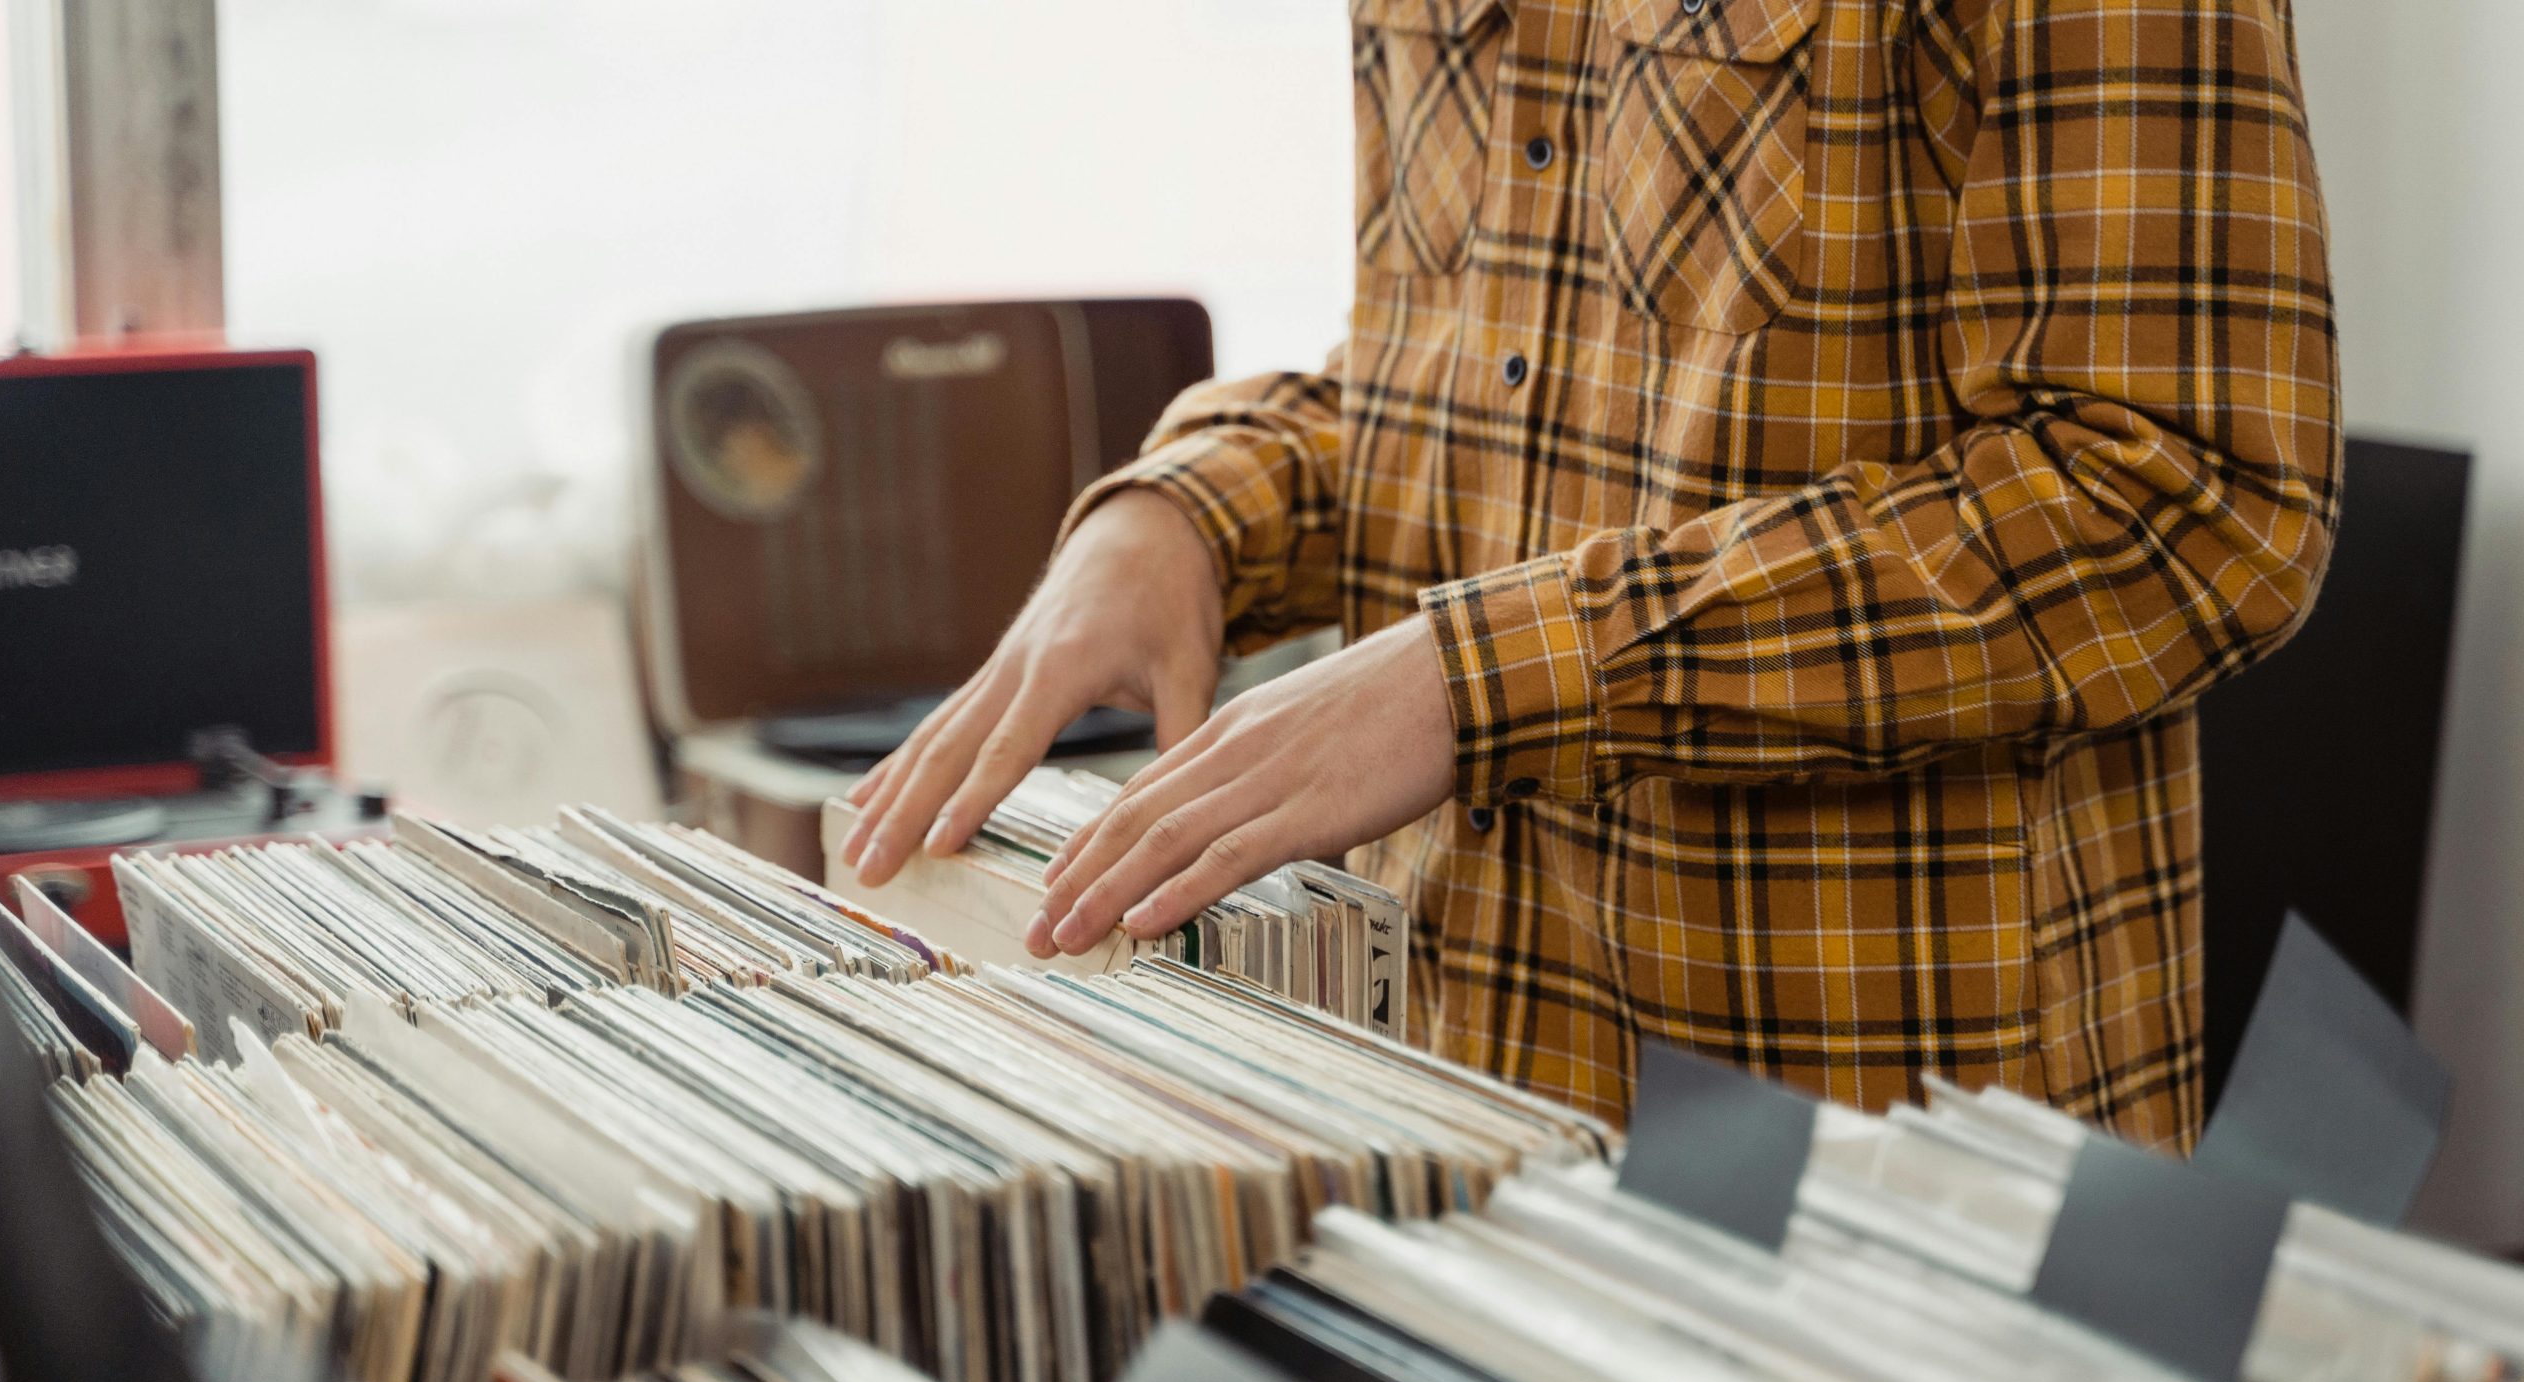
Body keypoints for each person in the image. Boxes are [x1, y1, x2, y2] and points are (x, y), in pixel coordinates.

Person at [840, 0, 2339, 1148]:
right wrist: (1187, 509)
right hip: (1441, 1077)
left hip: (1874, 1148)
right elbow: (1479, 377)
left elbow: (2194, 497)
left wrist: (1485, 676)